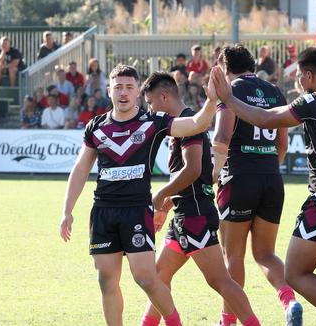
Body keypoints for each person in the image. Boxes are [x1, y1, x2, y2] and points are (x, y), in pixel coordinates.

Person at [211, 47, 316, 326]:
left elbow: (264, 119)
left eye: (300, 75)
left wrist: (228, 97)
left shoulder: (312, 101)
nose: (298, 81)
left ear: (310, 75)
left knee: (295, 273)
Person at [58, 64, 220, 326]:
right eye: (118, 87)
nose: (123, 92)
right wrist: (67, 210)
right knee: (106, 280)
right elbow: (80, 169)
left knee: (145, 277)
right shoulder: (96, 127)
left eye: (129, 87)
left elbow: (195, 124)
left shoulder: (153, 122)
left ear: (137, 92)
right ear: (109, 91)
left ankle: (174, 322)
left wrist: (212, 101)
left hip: (136, 209)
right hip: (103, 211)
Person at [141, 72, 262, 326]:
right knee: (159, 277)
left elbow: (193, 169)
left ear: (164, 97)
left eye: (151, 103)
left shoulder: (187, 122)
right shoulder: (185, 122)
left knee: (220, 282)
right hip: (185, 213)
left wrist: (161, 194)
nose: (150, 110)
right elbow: (196, 177)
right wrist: (171, 201)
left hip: (195, 215)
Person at [211, 45, 301, 326]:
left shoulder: (230, 91)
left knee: (233, 255)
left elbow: (222, 138)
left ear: (225, 68)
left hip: (238, 176)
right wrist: (267, 165)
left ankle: (229, 321)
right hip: (271, 178)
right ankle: (290, 301)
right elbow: (282, 143)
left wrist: (213, 174)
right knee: (265, 253)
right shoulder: (274, 91)